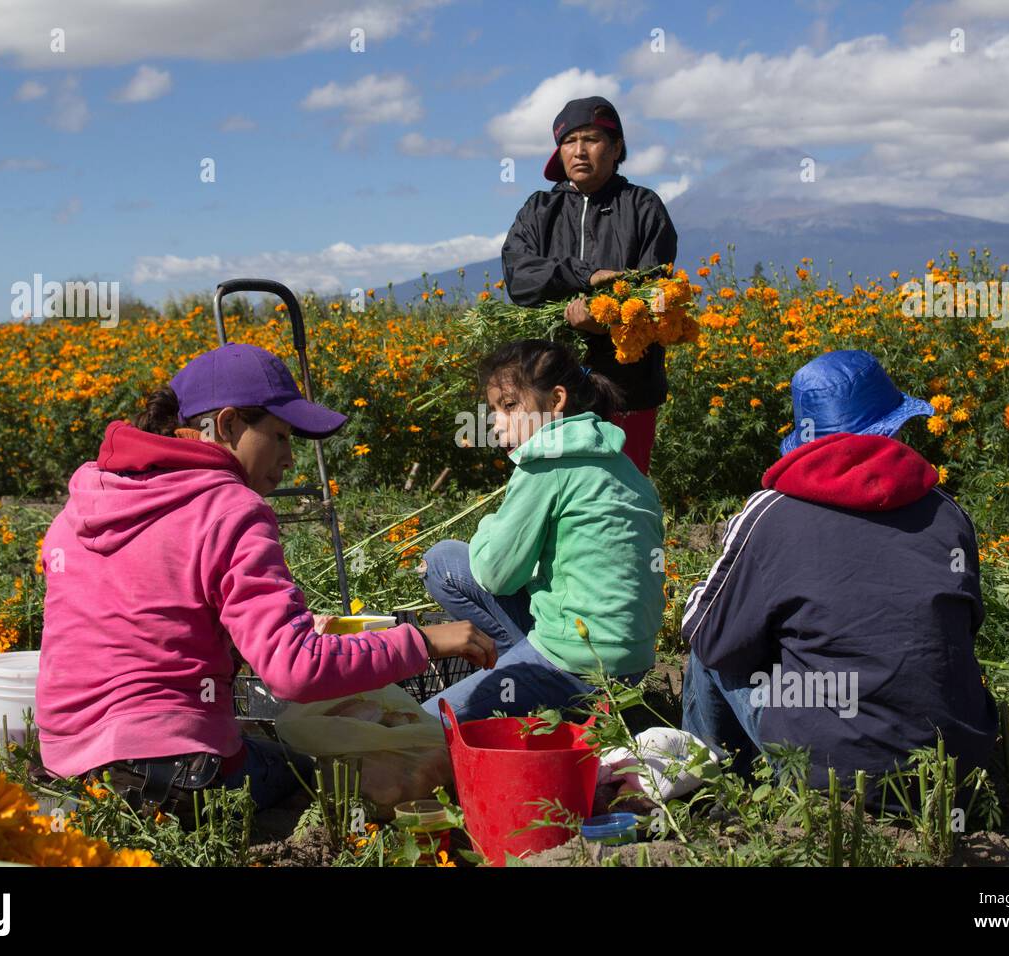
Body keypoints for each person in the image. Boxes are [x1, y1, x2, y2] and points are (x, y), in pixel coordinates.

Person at [35, 343, 495, 814]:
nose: (290, 458)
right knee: (389, 774)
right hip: (176, 772)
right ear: (229, 424)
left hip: (68, 768)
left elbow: (149, 622)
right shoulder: (230, 507)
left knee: (255, 737)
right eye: (280, 436)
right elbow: (295, 671)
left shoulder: (84, 502)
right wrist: (423, 641)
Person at [679, 350, 998, 793]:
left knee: (708, 636)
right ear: (895, 429)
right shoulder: (946, 513)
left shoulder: (773, 514)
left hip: (833, 768)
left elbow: (713, 639)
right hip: (956, 763)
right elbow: (965, 625)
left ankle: (717, 786)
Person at [418, 339, 665, 723]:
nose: (497, 423)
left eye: (510, 406)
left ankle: (544, 696)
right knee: (444, 560)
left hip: (577, 661)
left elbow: (496, 576)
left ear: (556, 401)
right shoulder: (621, 462)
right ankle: (531, 685)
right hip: (631, 662)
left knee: (424, 725)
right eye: (494, 410)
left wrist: (489, 523)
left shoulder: (545, 463)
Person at [501, 95, 678, 476]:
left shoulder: (644, 208)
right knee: (548, 492)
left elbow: (656, 298)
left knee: (621, 491)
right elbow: (519, 276)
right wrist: (586, 276)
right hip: (547, 391)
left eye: (592, 140)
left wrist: (607, 324)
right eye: (570, 141)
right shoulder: (539, 211)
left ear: (616, 149)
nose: (579, 150)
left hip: (628, 388)